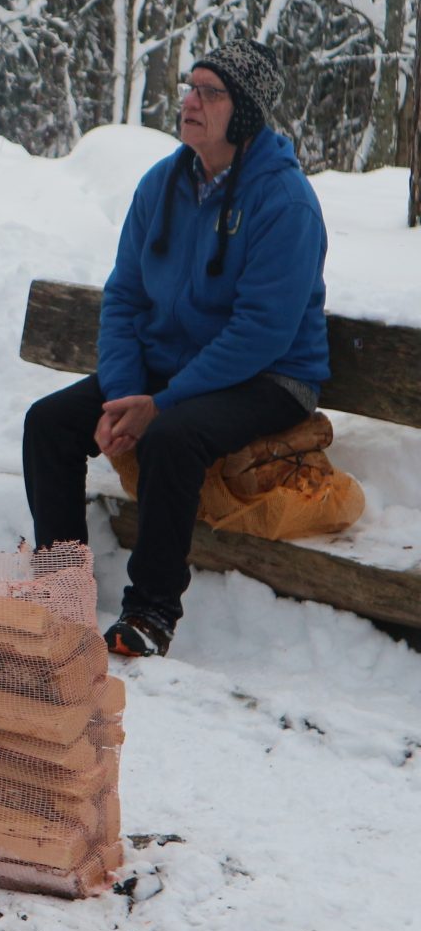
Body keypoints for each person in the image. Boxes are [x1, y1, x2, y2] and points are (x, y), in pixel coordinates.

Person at [22, 39, 328, 658]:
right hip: (170, 369)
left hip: (269, 377)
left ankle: (152, 612)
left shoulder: (284, 202)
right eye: (190, 88)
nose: (190, 102)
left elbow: (260, 333)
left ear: (243, 112)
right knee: (48, 423)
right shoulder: (161, 185)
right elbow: (125, 297)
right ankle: (60, 591)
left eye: (210, 93)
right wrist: (122, 393)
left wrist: (159, 406)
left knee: (171, 438)